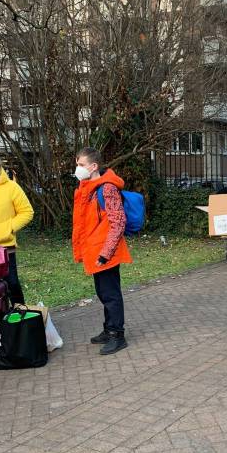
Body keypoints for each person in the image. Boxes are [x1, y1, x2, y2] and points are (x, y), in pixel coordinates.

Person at [72, 147, 132, 354]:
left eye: (81, 164)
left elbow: (118, 222)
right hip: (95, 250)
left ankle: (117, 335)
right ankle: (109, 329)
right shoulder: (87, 188)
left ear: (93, 166)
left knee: (111, 294)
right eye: (77, 164)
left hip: (106, 252)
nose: (77, 168)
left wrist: (105, 253)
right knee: (103, 292)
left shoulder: (107, 188)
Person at [0, 155, 34, 304]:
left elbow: (27, 212)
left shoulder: (12, 187)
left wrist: (8, 228)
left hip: (4, 248)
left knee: (11, 285)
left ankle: (20, 320)